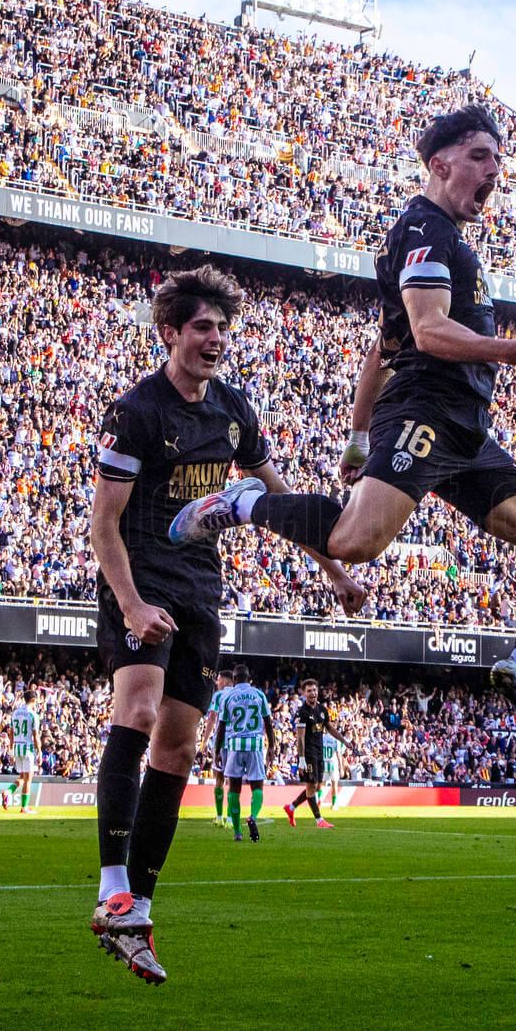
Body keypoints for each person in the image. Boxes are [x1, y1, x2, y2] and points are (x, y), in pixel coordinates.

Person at [173, 105, 516, 748]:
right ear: (440, 163)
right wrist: (514, 350)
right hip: (425, 413)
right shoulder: (425, 230)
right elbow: (426, 333)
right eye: (481, 156)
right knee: (354, 542)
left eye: (498, 159)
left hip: (465, 432)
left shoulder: (447, 240)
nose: (494, 171)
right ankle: (243, 502)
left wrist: (360, 433)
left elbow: (384, 345)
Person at [86, 265, 367, 987]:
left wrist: (333, 568)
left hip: (200, 588)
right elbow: (104, 526)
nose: (215, 339)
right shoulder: (136, 411)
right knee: (140, 708)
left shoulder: (235, 412)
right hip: (141, 576)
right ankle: (110, 884)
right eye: (201, 327)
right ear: (170, 332)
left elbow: (279, 500)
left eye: (222, 327)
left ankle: (136, 913)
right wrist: (129, 604)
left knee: (178, 749)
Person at [215, 665, 272, 843]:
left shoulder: (228, 696)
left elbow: (222, 726)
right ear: (249, 677)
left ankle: (238, 832)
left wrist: (217, 749)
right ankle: (253, 816)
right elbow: (268, 722)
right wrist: (271, 746)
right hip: (254, 745)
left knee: (234, 789)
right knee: (257, 787)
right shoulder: (259, 695)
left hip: (234, 746)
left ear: (234, 677)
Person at [283, 679, 334, 829]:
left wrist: (344, 741)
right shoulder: (302, 712)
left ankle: (291, 807)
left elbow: (330, 728)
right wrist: (302, 759)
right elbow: (300, 737)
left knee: (317, 787)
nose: (312, 693)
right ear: (304, 693)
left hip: (319, 752)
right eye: (309, 690)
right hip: (308, 753)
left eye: (314, 690)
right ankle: (319, 820)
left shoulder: (322, 710)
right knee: (311, 786)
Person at [4, 682, 43, 815]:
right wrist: (40, 752)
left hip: (17, 748)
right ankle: (24, 808)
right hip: (27, 748)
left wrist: (10, 748)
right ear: (34, 700)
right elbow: (36, 736)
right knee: (28, 779)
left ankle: (8, 791)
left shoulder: (15, 713)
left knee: (22, 777)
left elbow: (11, 732)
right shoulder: (33, 715)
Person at [202, 670, 235, 826]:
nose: (217, 682)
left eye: (219, 680)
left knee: (219, 778)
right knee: (233, 780)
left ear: (226, 682)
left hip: (221, 741)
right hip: (235, 742)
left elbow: (212, 718)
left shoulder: (219, 696)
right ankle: (230, 818)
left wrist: (204, 740)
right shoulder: (239, 695)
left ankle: (220, 816)